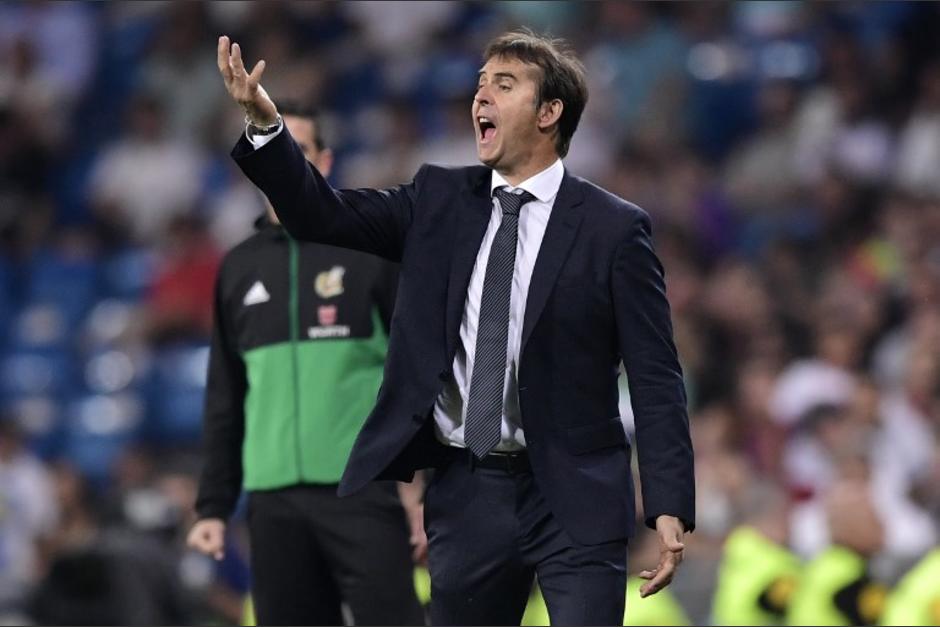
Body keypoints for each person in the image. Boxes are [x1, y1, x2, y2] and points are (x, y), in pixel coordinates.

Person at [218, 29, 695, 626]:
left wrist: (669, 502)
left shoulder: (615, 229)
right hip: (469, 492)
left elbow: (655, 375)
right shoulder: (437, 201)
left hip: (575, 493)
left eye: (504, 84)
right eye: (479, 85)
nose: (480, 99)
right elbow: (323, 214)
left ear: (550, 113)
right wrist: (268, 130)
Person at [186, 103, 426, 626]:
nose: (284, 165)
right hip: (272, 500)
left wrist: (421, 487)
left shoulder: (371, 252)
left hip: (362, 490)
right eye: (273, 152)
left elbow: (415, 376)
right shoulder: (238, 267)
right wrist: (213, 506)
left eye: (298, 152)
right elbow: (226, 395)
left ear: (325, 161)